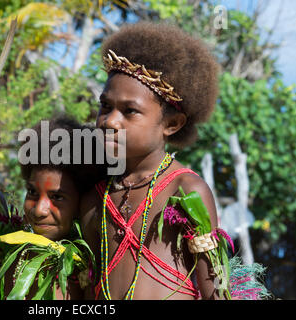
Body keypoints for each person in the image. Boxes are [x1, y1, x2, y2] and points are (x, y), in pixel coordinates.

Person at [80, 22, 223, 300]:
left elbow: (216, 291)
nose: (110, 121)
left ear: (171, 124)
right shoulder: (94, 197)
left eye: (129, 111)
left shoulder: (186, 191)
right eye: (105, 106)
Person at [0, 115, 105, 300]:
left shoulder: (89, 272)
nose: (39, 210)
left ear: (82, 203)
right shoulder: (5, 253)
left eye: (57, 197)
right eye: (32, 193)